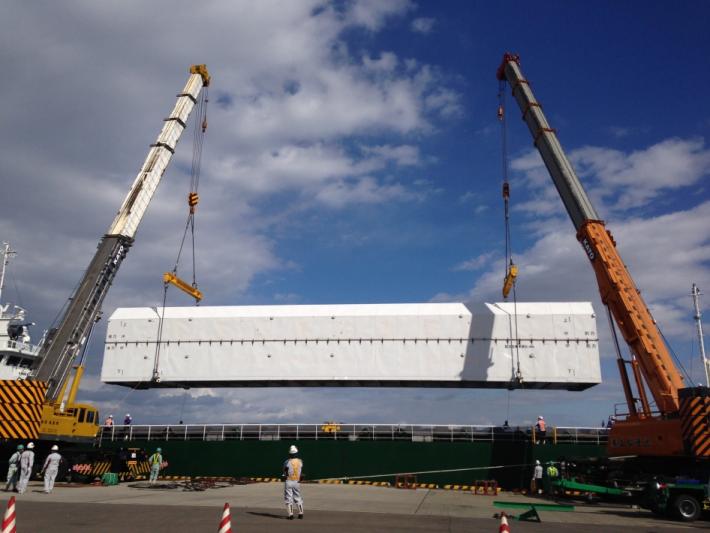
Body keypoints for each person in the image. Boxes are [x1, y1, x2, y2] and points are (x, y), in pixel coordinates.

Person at [282, 445, 304, 520]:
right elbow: (300, 470)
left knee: (288, 498)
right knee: (298, 497)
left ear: (289, 454)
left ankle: (290, 515)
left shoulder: (286, 462)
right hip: (297, 481)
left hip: (289, 481)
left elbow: (284, 472)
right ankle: (301, 513)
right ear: (296, 453)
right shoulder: (300, 462)